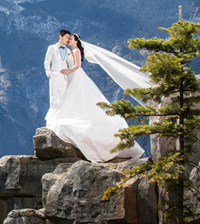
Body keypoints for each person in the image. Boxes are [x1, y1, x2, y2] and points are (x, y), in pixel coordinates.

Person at [45, 34, 145, 162]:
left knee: (77, 96)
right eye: (68, 38)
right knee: (73, 99)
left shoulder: (76, 51)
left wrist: (66, 71)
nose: (69, 40)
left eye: (71, 39)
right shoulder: (68, 51)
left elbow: (77, 66)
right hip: (70, 77)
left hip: (75, 76)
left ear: (76, 41)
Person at [44, 30, 72, 110]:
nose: (67, 39)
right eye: (66, 37)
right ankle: (53, 117)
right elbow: (47, 61)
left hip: (64, 77)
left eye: (69, 38)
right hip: (55, 76)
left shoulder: (68, 50)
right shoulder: (52, 48)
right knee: (54, 98)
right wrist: (49, 74)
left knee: (63, 98)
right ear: (60, 37)